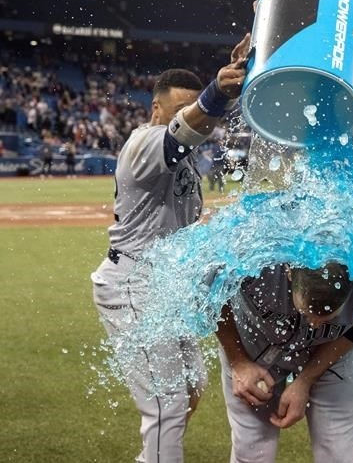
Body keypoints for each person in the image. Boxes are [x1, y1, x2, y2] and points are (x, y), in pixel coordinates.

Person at [90, 33, 250, 463]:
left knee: (190, 388)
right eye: (177, 109)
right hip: (132, 285)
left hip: (165, 283)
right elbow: (181, 134)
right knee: (167, 406)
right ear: (156, 109)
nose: (187, 117)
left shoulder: (185, 158)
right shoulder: (144, 143)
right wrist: (215, 93)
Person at [215, 262, 353, 463]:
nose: (313, 324)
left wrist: (306, 380)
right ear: (288, 271)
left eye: (329, 318)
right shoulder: (253, 256)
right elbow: (209, 295)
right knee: (252, 449)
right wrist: (238, 361)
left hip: (332, 346)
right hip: (254, 339)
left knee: (338, 453)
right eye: (306, 313)